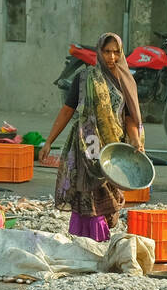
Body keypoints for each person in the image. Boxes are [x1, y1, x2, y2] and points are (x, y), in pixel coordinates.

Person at [42, 32, 144, 242]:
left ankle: (97, 241)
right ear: (99, 52)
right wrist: (49, 141)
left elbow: (130, 118)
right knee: (86, 196)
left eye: (116, 52)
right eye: (107, 51)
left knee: (107, 198)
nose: (112, 57)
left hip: (113, 150)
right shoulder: (85, 78)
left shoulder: (126, 82)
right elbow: (67, 111)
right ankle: (87, 242)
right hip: (86, 146)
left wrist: (135, 141)